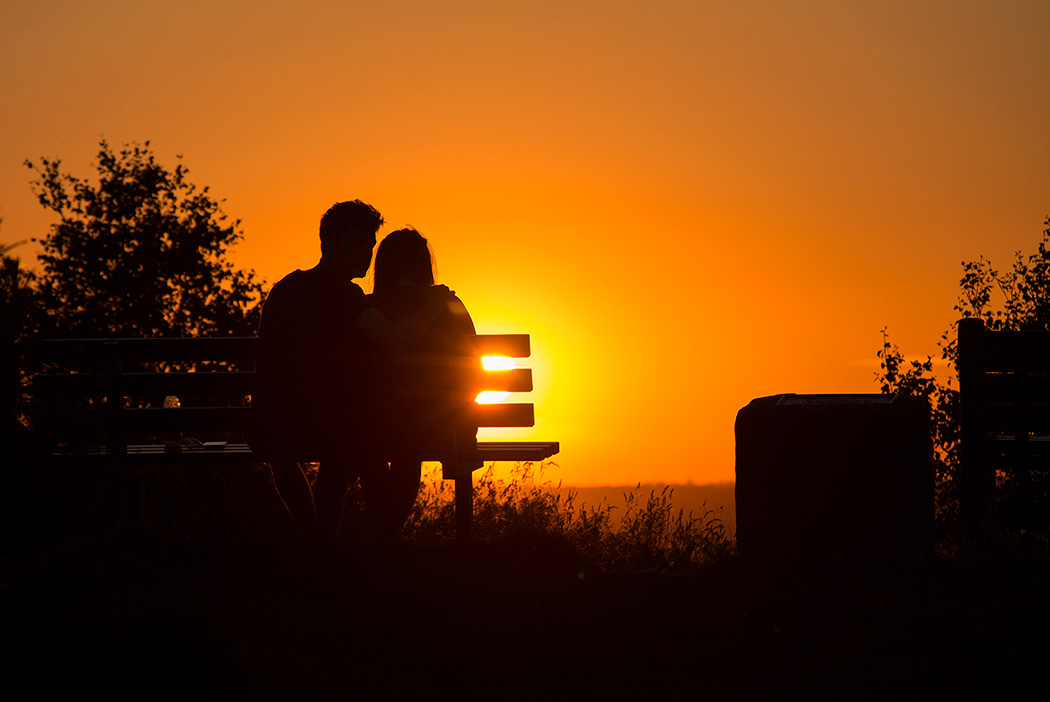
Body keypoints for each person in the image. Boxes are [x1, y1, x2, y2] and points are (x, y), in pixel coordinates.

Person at [253, 202, 453, 544]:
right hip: (325, 426)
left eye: (370, 245)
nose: (366, 253)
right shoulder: (345, 295)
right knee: (351, 437)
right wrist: (434, 305)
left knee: (312, 445)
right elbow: (395, 340)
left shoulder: (285, 288)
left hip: (268, 425)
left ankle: (318, 542)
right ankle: (344, 541)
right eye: (356, 243)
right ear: (329, 244)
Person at [366, 228, 482, 537]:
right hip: (446, 423)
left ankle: (382, 536)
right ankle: (386, 536)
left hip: (382, 423)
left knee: (373, 442)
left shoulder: (369, 309)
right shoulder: (449, 304)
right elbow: (476, 369)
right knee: (407, 440)